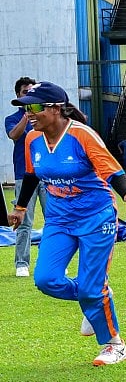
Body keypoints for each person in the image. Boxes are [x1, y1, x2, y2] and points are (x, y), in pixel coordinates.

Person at [7, 81, 126, 365]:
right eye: (25, 107)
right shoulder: (33, 138)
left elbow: (111, 169)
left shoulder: (82, 136)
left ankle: (114, 344)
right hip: (58, 220)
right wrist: (20, 208)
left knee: (91, 288)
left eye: (34, 107)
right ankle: (95, 296)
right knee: (46, 280)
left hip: (96, 217)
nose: (28, 113)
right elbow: (33, 175)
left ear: (56, 109)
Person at [6, 76, 47, 278]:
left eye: (32, 93)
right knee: (23, 221)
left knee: (55, 219)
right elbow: (14, 135)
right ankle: (22, 262)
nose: (29, 96)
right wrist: (26, 113)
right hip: (24, 175)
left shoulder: (45, 117)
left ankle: (51, 261)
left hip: (47, 175)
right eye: (25, 93)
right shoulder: (12, 119)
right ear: (18, 95)